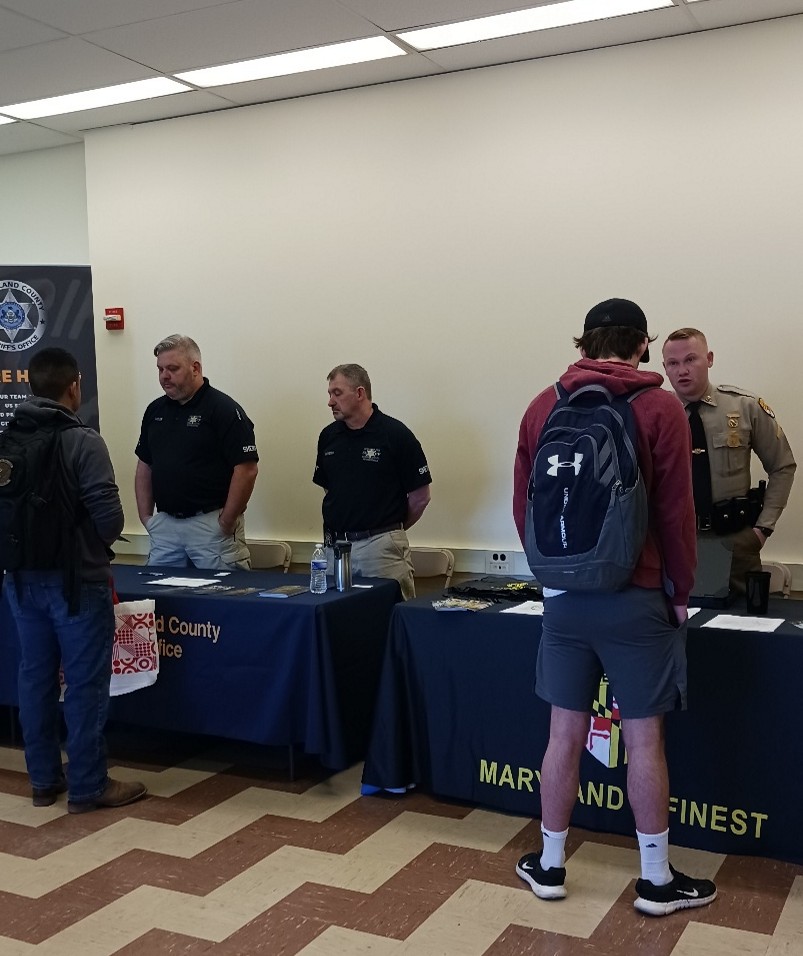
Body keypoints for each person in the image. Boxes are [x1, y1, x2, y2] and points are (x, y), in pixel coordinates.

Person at [512, 298, 716, 916]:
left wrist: (552, 580)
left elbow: (524, 508)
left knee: (562, 735)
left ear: (583, 343)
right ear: (644, 344)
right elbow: (679, 515)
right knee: (645, 740)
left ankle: (549, 865)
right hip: (636, 598)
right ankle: (655, 880)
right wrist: (679, 593)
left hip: (565, 603)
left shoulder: (542, 405)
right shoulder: (659, 408)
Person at [4, 348, 147, 812]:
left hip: (21, 580)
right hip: (77, 582)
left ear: (30, 387)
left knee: (35, 677)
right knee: (85, 684)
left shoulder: (7, 439)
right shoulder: (84, 441)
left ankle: (44, 780)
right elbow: (110, 516)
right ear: (74, 387)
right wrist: (91, 551)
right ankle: (88, 785)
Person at [662, 328, 795, 593]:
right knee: (677, 626)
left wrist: (762, 529)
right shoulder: (657, 413)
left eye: (691, 360)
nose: (682, 371)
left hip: (734, 543)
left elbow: (783, 466)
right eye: (673, 364)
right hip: (674, 545)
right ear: (664, 368)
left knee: (739, 627)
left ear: (709, 358)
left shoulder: (744, 407)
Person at [135, 334, 259, 570]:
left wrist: (226, 521)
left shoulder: (223, 409)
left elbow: (247, 469)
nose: (164, 376)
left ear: (195, 368)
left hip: (211, 525)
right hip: (165, 528)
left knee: (222, 603)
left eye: (172, 368)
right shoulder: (155, 411)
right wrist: (146, 518)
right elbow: (145, 464)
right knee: (161, 601)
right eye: (160, 369)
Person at [313, 363, 431, 600]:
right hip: (334, 547)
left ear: (359, 393)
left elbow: (420, 497)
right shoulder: (328, 437)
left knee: (388, 621)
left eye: (337, 393)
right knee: (337, 623)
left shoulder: (395, 435)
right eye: (329, 394)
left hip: (380, 549)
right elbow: (331, 489)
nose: (330, 402)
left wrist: (388, 530)